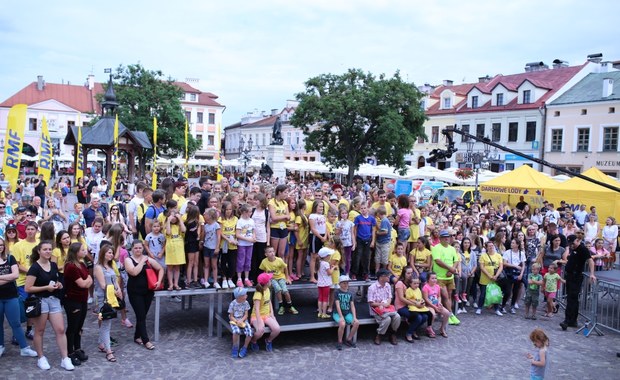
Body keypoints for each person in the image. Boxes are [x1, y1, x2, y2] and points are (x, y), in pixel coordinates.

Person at [25, 241, 74, 371]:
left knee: (60, 329)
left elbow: (55, 279)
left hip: (53, 299)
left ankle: (65, 358)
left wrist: (58, 285)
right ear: (39, 251)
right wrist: (46, 287)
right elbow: (28, 288)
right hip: (40, 301)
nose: (48, 251)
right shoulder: (34, 267)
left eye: (50, 249)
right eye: (45, 249)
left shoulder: (53, 264)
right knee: (39, 330)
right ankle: (41, 357)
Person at [0, 237, 38, 359]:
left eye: (1, 245)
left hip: (11, 296)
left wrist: (2, 277)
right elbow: (12, 276)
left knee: (16, 323)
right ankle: (1, 346)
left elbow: (16, 275)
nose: (0, 247)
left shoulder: (10, 258)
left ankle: (24, 348)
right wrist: (8, 277)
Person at [124, 240, 164, 350]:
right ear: (132, 249)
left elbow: (160, 268)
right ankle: (146, 340)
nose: (138, 250)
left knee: (142, 315)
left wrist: (159, 281)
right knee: (141, 315)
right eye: (136, 248)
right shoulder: (128, 260)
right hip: (135, 292)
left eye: (140, 248)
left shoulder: (148, 259)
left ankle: (137, 336)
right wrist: (142, 261)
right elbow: (134, 272)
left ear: (143, 248)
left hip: (148, 291)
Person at [62, 242, 92, 366]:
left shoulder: (81, 264)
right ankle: (70, 352)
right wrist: (88, 280)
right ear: (76, 252)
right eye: (82, 250)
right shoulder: (71, 266)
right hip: (73, 300)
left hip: (82, 299)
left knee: (79, 326)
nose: (85, 251)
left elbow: (89, 280)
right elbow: (83, 284)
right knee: (73, 327)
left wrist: (88, 281)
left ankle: (77, 348)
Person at [560, 232, 596, 331]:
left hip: (576, 276)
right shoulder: (573, 249)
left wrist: (592, 274)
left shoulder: (583, 249)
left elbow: (590, 261)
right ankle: (573, 320)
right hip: (570, 276)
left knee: (572, 298)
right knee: (572, 298)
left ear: (578, 240)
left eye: (573, 243)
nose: (572, 245)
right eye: (570, 243)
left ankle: (567, 320)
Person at [93, 244, 121, 362]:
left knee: (107, 322)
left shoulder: (110, 266)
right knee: (106, 324)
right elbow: (103, 285)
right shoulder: (98, 267)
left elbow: (115, 280)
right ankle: (108, 351)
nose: (111, 255)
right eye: (109, 252)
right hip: (103, 298)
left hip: (111, 297)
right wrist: (115, 291)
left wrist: (118, 290)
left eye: (112, 252)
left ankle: (102, 343)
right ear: (103, 253)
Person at [431, 229, 461, 325]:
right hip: (440, 276)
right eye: (444, 237)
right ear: (440, 238)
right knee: (445, 296)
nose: (446, 239)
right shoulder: (436, 248)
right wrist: (451, 269)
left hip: (449, 277)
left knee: (449, 295)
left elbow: (456, 260)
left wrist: (452, 269)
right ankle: (451, 314)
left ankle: (447, 315)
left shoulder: (452, 248)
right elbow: (438, 261)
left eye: (448, 237)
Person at [259, 245, 298, 315]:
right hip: (272, 278)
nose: (272, 253)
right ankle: (281, 306)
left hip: (281, 277)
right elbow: (264, 271)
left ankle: (290, 306)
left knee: (285, 290)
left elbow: (285, 268)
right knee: (278, 289)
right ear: (266, 254)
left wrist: (287, 278)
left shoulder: (279, 260)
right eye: (270, 252)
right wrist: (266, 281)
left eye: (273, 251)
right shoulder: (264, 261)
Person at [367, 268, 400, 345]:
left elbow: (389, 297)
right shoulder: (372, 288)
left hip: (387, 308)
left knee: (397, 316)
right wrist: (381, 305)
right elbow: (371, 303)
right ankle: (379, 334)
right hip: (377, 310)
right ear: (381, 277)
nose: (389, 277)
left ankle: (393, 333)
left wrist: (387, 304)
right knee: (387, 319)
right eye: (388, 276)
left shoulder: (388, 285)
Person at [250, 273, 280, 352]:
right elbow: (256, 309)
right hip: (256, 316)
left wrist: (272, 314)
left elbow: (269, 301)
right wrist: (259, 320)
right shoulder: (258, 294)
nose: (271, 280)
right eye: (270, 280)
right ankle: (253, 340)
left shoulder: (267, 289)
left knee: (277, 329)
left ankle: (268, 340)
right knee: (260, 331)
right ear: (267, 283)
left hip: (267, 315)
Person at [476, 241, 504, 316]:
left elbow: (501, 266)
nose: (491, 247)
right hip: (485, 278)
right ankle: (479, 307)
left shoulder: (498, 255)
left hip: (495, 278)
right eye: (489, 246)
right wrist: (489, 276)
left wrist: (496, 276)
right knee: (483, 293)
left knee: (495, 294)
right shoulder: (483, 256)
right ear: (486, 247)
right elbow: (482, 267)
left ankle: (497, 309)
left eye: (492, 246)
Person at [333, 275, 359, 350]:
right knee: (342, 323)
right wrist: (341, 317)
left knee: (356, 323)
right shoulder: (337, 292)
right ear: (340, 284)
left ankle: (349, 339)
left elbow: (352, 306)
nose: (346, 285)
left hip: (347, 313)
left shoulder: (350, 293)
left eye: (347, 283)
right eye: (344, 283)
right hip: (337, 313)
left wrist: (354, 317)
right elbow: (337, 305)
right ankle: (339, 341)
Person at [422, 272, 450, 338]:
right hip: (429, 305)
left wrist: (439, 303)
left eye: (435, 278)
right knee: (433, 315)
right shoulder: (425, 287)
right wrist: (434, 307)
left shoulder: (437, 286)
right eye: (432, 278)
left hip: (436, 304)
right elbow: (426, 299)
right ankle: (429, 329)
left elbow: (439, 296)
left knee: (447, 313)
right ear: (428, 279)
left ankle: (442, 328)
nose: (434, 280)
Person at [228, 286, 253, 358]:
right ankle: (235, 346)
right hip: (234, 320)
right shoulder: (233, 304)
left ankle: (245, 347)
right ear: (239, 297)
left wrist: (241, 320)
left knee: (249, 332)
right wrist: (236, 321)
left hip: (243, 320)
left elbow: (246, 315)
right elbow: (231, 316)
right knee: (236, 331)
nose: (246, 296)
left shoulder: (246, 303)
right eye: (245, 295)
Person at [235, 203, 256, 287]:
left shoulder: (251, 220)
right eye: (249, 212)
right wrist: (248, 239)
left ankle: (246, 278)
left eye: (251, 212)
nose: (250, 214)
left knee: (248, 261)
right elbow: (238, 234)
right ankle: (239, 278)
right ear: (243, 212)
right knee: (241, 261)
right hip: (242, 244)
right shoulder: (240, 221)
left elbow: (253, 231)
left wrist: (254, 238)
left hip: (250, 244)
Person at [202, 208, 221, 289]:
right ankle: (206, 280)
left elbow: (218, 236)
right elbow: (204, 236)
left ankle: (215, 281)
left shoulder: (216, 225)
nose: (204, 215)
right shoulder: (205, 226)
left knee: (214, 265)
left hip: (213, 247)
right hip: (206, 246)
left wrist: (217, 247)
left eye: (205, 214)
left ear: (210, 216)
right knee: (206, 264)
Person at [316, 246, 334, 318]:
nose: (330, 256)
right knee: (325, 298)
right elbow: (329, 273)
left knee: (320, 298)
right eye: (329, 255)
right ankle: (324, 313)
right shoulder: (326, 264)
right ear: (326, 256)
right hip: (326, 284)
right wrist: (333, 268)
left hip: (320, 283)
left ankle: (320, 312)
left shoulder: (319, 262)